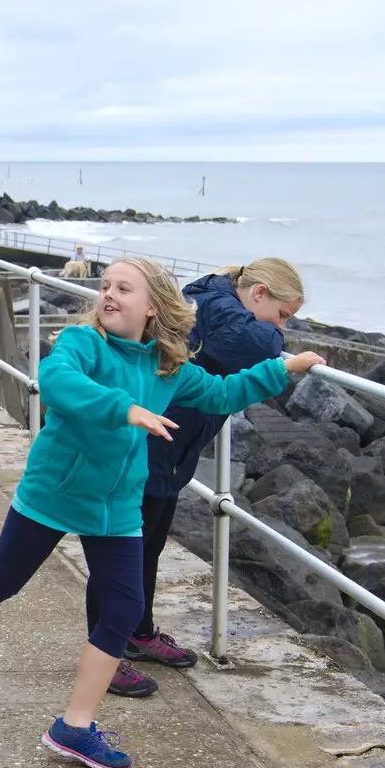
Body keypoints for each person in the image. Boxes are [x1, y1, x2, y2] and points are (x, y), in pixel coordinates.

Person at [0, 257, 323, 768]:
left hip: (117, 503)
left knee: (123, 609)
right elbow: (58, 380)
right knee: (1, 584)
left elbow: (224, 392)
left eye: (124, 288)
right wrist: (125, 409)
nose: (109, 294)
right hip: (56, 492)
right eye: (106, 285)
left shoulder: (167, 365)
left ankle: (75, 727)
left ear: (153, 307)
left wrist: (283, 367)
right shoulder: (81, 343)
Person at [88, 258, 306, 697]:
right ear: (258, 293)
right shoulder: (217, 305)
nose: (282, 327)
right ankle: (106, 654)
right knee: (120, 552)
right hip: (146, 440)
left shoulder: (216, 298)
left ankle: (139, 632)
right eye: (284, 314)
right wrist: (279, 343)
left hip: (170, 446)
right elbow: (258, 342)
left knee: (147, 547)